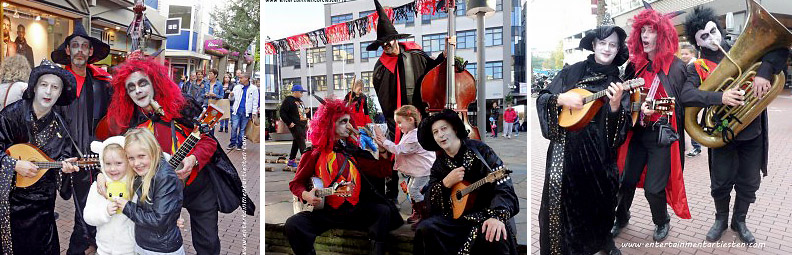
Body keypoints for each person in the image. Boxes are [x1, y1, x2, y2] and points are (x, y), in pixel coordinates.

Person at [103, 55, 255, 255]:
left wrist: (193, 160)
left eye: (142, 83)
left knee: (208, 243)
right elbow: (118, 158)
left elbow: (208, 140)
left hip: (198, 187)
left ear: (154, 83)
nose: (138, 90)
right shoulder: (132, 122)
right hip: (160, 193)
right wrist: (101, 176)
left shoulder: (181, 105)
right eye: (131, 87)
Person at [611, 4, 722, 242]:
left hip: (663, 138)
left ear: (661, 34)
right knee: (626, 181)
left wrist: (664, 110)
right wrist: (632, 105)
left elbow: (685, 102)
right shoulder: (633, 66)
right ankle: (621, 217)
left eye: (650, 30)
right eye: (642, 31)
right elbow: (625, 101)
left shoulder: (678, 67)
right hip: (637, 135)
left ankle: (662, 221)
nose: (645, 35)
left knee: (654, 189)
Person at [682, 6, 789, 244]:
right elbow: (687, 95)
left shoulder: (746, 50)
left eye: (712, 31)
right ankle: (720, 220)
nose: (711, 39)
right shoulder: (696, 67)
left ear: (719, 28)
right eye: (704, 37)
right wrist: (719, 98)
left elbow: (782, 49)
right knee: (720, 182)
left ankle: (739, 220)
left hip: (752, 132)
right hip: (722, 134)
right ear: (698, 42)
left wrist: (764, 71)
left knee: (749, 181)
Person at [536, 25, 631, 255]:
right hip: (564, 148)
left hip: (598, 152)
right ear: (594, 45)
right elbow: (543, 98)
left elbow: (618, 132)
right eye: (603, 43)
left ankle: (600, 242)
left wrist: (616, 106)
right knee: (559, 205)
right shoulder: (572, 72)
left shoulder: (618, 82)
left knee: (600, 200)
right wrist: (561, 98)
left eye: (612, 44)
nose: (607, 48)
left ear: (618, 49)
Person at [285, 97, 401, 255]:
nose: (350, 125)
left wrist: (382, 151)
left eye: (349, 121)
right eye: (343, 122)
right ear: (329, 124)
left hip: (356, 211)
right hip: (327, 213)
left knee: (383, 211)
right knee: (294, 224)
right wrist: (307, 195)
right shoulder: (314, 154)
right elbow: (295, 184)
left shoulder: (353, 152)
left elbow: (383, 171)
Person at [0, 60, 80, 254]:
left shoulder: (61, 126)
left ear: (60, 93)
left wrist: (65, 170)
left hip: (43, 206)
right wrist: (14, 164)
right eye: (44, 85)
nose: (48, 92)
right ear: (34, 87)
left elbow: (64, 159)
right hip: (12, 202)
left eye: (55, 87)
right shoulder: (12, 114)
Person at [414, 109, 519, 254]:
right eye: (435, 132)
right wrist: (445, 183)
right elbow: (430, 202)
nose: (441, 135)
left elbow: (504, 187)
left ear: (455, 129)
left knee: (494, 235)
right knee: (425, 229)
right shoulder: (439, 165)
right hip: (455, 219)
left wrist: (496, 216)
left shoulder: (480, 151)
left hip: (485, 215)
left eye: (444, 128)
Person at [50, 21, 113, 254]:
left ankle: (82, 247)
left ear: (90, 52)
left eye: (83, 46)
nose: (79, 50)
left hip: (93, 159)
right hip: (62, 158)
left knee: (86, 214)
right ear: (67, 51)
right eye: (74, 45)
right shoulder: (54, 82)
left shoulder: (102, 85)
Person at [114, 128, 184, 254]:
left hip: (161, 249)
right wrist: (100, 176)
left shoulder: (164, 177)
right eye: (131, 158)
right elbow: (109, 164)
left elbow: (158, 221)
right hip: (145, 243)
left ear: (154, 151)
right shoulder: (141, 171)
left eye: (141, 156)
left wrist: (127, 207)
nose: (136, 163)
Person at [373, 105, 435, 229]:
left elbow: (400, 150)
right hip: (418, 170)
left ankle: (425, 215)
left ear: (411, 120)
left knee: (414, 191)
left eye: (400, 123)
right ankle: (418, 212)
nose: (398, 126)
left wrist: (383, 140)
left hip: (423, 170)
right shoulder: (409, 133)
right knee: (411, 190)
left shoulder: (414, 137)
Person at [83, 136, 135, 255]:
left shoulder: (135, 184)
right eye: (108, 164)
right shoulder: (99, 187)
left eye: (118, 163)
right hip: (104, 249)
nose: (112, 169)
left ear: (128, 161)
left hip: (130, 250)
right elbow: (88, 216)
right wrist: (105, 212)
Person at [679, 44, 703, 157]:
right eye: (682, 53)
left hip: (691, 99)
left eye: (686, 54)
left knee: (690, 122)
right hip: (689, 98)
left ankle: (696, 147)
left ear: (692, 54)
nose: (683, 56)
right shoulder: (687, 65)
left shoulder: (693, 66)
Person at [279, 84, 308, 166]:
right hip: (295, 125)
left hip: (302, 124)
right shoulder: (289, 100)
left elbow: (300, 112)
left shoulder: (300, 101)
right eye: (301, 92)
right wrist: (289, 122)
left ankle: (291, 160)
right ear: (295, 92)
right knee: (302, 143)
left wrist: (306, 112)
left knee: (296, 142)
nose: (302, 94)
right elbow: (282, 112)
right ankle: (306, 163)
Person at [229, 73, 259, 151]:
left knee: (242, 129)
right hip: (236, 111)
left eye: (241, 78)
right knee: (234, 127)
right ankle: (232, 143)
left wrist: (253, 113)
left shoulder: (254, 88)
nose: (240, 79)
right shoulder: (237, 87)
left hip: (246, 112)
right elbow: (231, 99)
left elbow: (255, 101)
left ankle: (239, 144)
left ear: (246, 78)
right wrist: (231, 95)